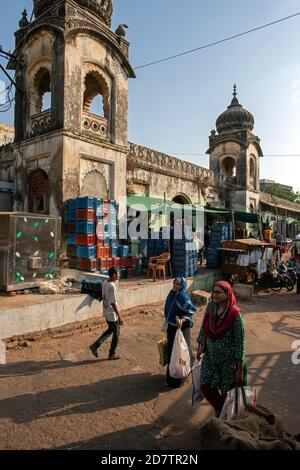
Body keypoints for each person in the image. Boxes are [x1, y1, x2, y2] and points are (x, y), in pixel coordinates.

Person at [196, 280, 246, 417]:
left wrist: (239, 369)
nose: (214, 295)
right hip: (211, 357)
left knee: (226, 393)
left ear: (227, 294)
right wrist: (201, 344)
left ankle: (224, 417)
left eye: (219, 292)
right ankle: (220, 410)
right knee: (205, 386)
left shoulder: (236, 315)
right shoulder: (211, 307)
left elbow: (240, 343)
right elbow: (204, 325)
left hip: (227, 362)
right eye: (213, 291)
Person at [164, 277, 197, 388]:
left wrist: (182, 320)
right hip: (172, 328)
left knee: (180, 352)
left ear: (182, 286)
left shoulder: (183, 297)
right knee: (171, 352)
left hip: (181, 329)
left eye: (178, 284)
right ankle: (171, 377)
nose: (176, 285)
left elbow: (191, 311)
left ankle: (180, 378)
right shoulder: (171, 293)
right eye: (175, 283)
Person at [89, 267, 124, 360]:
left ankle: (95, 346)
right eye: (118, 273)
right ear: (113, 275)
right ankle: (111, 354)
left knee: (110, 330)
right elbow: (113, 303)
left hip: (106, 311)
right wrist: (119, 316)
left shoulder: (105, 282)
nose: (119, 275)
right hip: (112, 314)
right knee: (116, 335)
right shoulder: (112, 286)